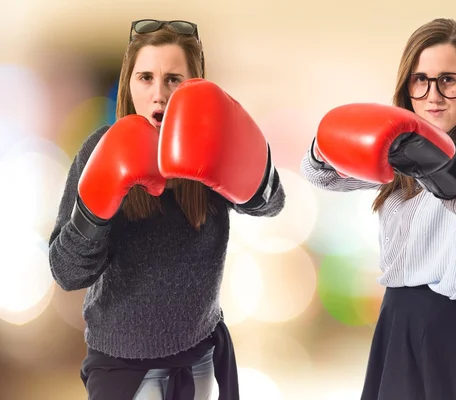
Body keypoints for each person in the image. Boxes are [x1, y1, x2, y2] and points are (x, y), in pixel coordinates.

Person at [48, 19, 285, 400]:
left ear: (195, 86)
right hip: (120, 362)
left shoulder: (211, 146)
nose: (158, 94)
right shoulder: (100, 148)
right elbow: (67, 273)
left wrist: (249, 157)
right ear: (129, 84)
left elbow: (271, 206)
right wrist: (95, 209)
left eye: (173, 79)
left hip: (200, 354)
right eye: (145, 78)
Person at [300, 18, 456, 400]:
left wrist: (437, 162)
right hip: (396, 319)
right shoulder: (404, 151)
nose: (433, 95)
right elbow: (322, 178)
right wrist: (327, 143)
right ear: (408, 87)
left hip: (448, 327)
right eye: (421, 80)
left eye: (449, 80)